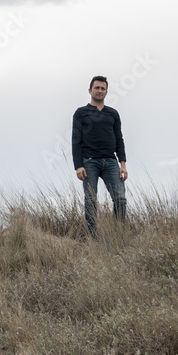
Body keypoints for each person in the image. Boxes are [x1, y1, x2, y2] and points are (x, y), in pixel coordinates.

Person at [72, 76, 127, 237]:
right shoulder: (81, 113)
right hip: (89, 162)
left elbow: (119, 139)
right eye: (97, 88)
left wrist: (122, 164)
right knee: (90, 201)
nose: (99, 91)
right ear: (90, 91)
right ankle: (93, 237)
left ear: (106, 92)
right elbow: (76, 140)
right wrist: (78, 166)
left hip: (111, 162)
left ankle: (118, 234)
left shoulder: (113, 113)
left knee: (120, 199)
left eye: (102, 88)